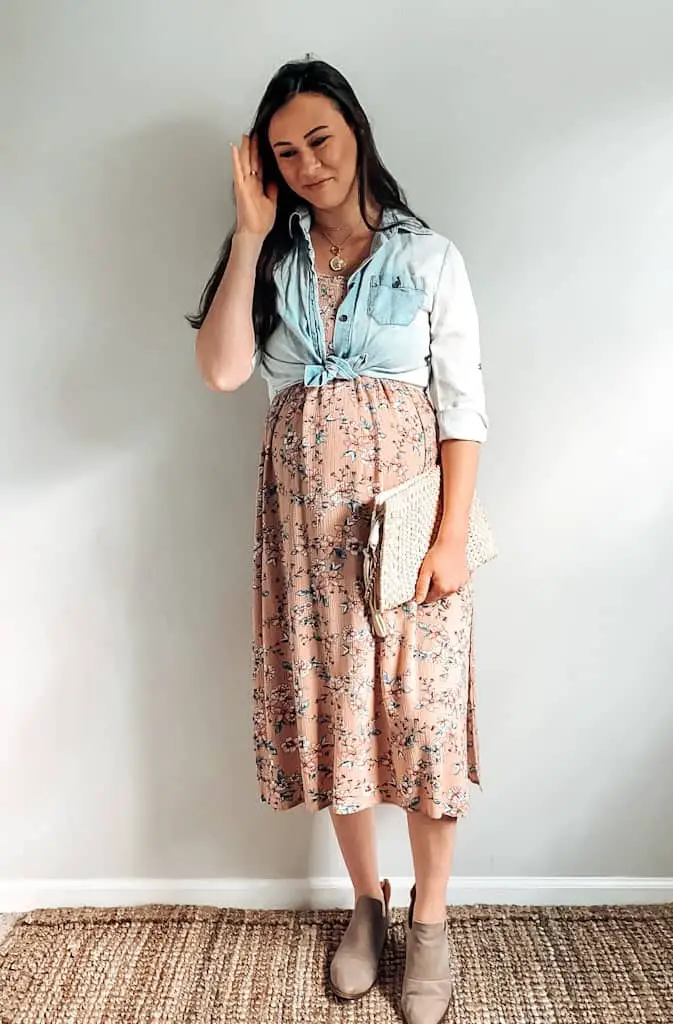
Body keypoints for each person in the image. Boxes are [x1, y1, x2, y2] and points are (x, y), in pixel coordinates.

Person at [189, 57, 488, 1024]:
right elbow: (226, 372)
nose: (308, 162)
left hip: (410, 543)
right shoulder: (270, 262)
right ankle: (370, 904)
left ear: (354, 130)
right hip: (305, 551)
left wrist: (448, 538)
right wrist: (245, 234)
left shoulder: (430, 257)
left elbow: (463, 413)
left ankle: (432, 919)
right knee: (341, 725)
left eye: (319, 138)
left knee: (423, 724)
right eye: (284, 152)